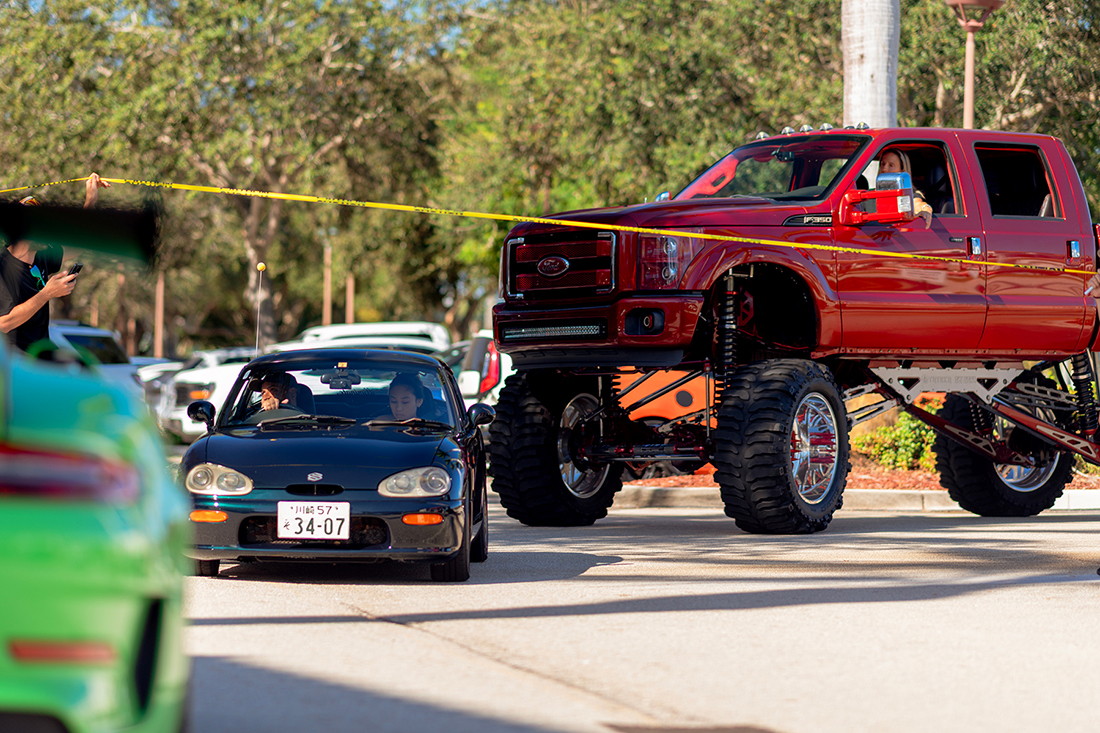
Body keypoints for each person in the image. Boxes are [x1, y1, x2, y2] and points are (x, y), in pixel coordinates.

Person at [0, 173, 110, 351]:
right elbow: (4, 323)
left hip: (39, 357)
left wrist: (90, 201)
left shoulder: (41, 256)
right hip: (13, 361)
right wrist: (46, 293)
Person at [878, 148, 933, 226]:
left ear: (902, 170)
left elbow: (917, 204)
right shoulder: (868, 195)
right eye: (883, 164)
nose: (884, 169)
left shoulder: (909, 194)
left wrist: (925, 210)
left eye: (891, 165)